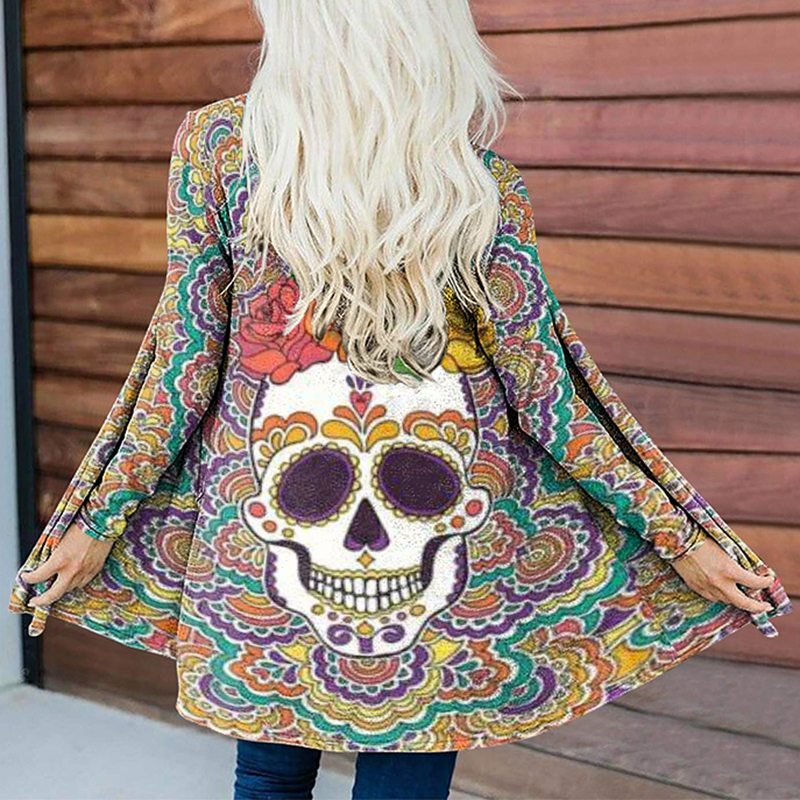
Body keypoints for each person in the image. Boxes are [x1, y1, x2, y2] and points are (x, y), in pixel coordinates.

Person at [10, 2, 792, 799]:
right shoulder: (470, 182)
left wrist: (686, 538)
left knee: (271, 779)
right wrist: (681, 538)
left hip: (339, 535)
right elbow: (552, 398)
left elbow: (184, 363)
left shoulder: (230, 148)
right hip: (354, 528)